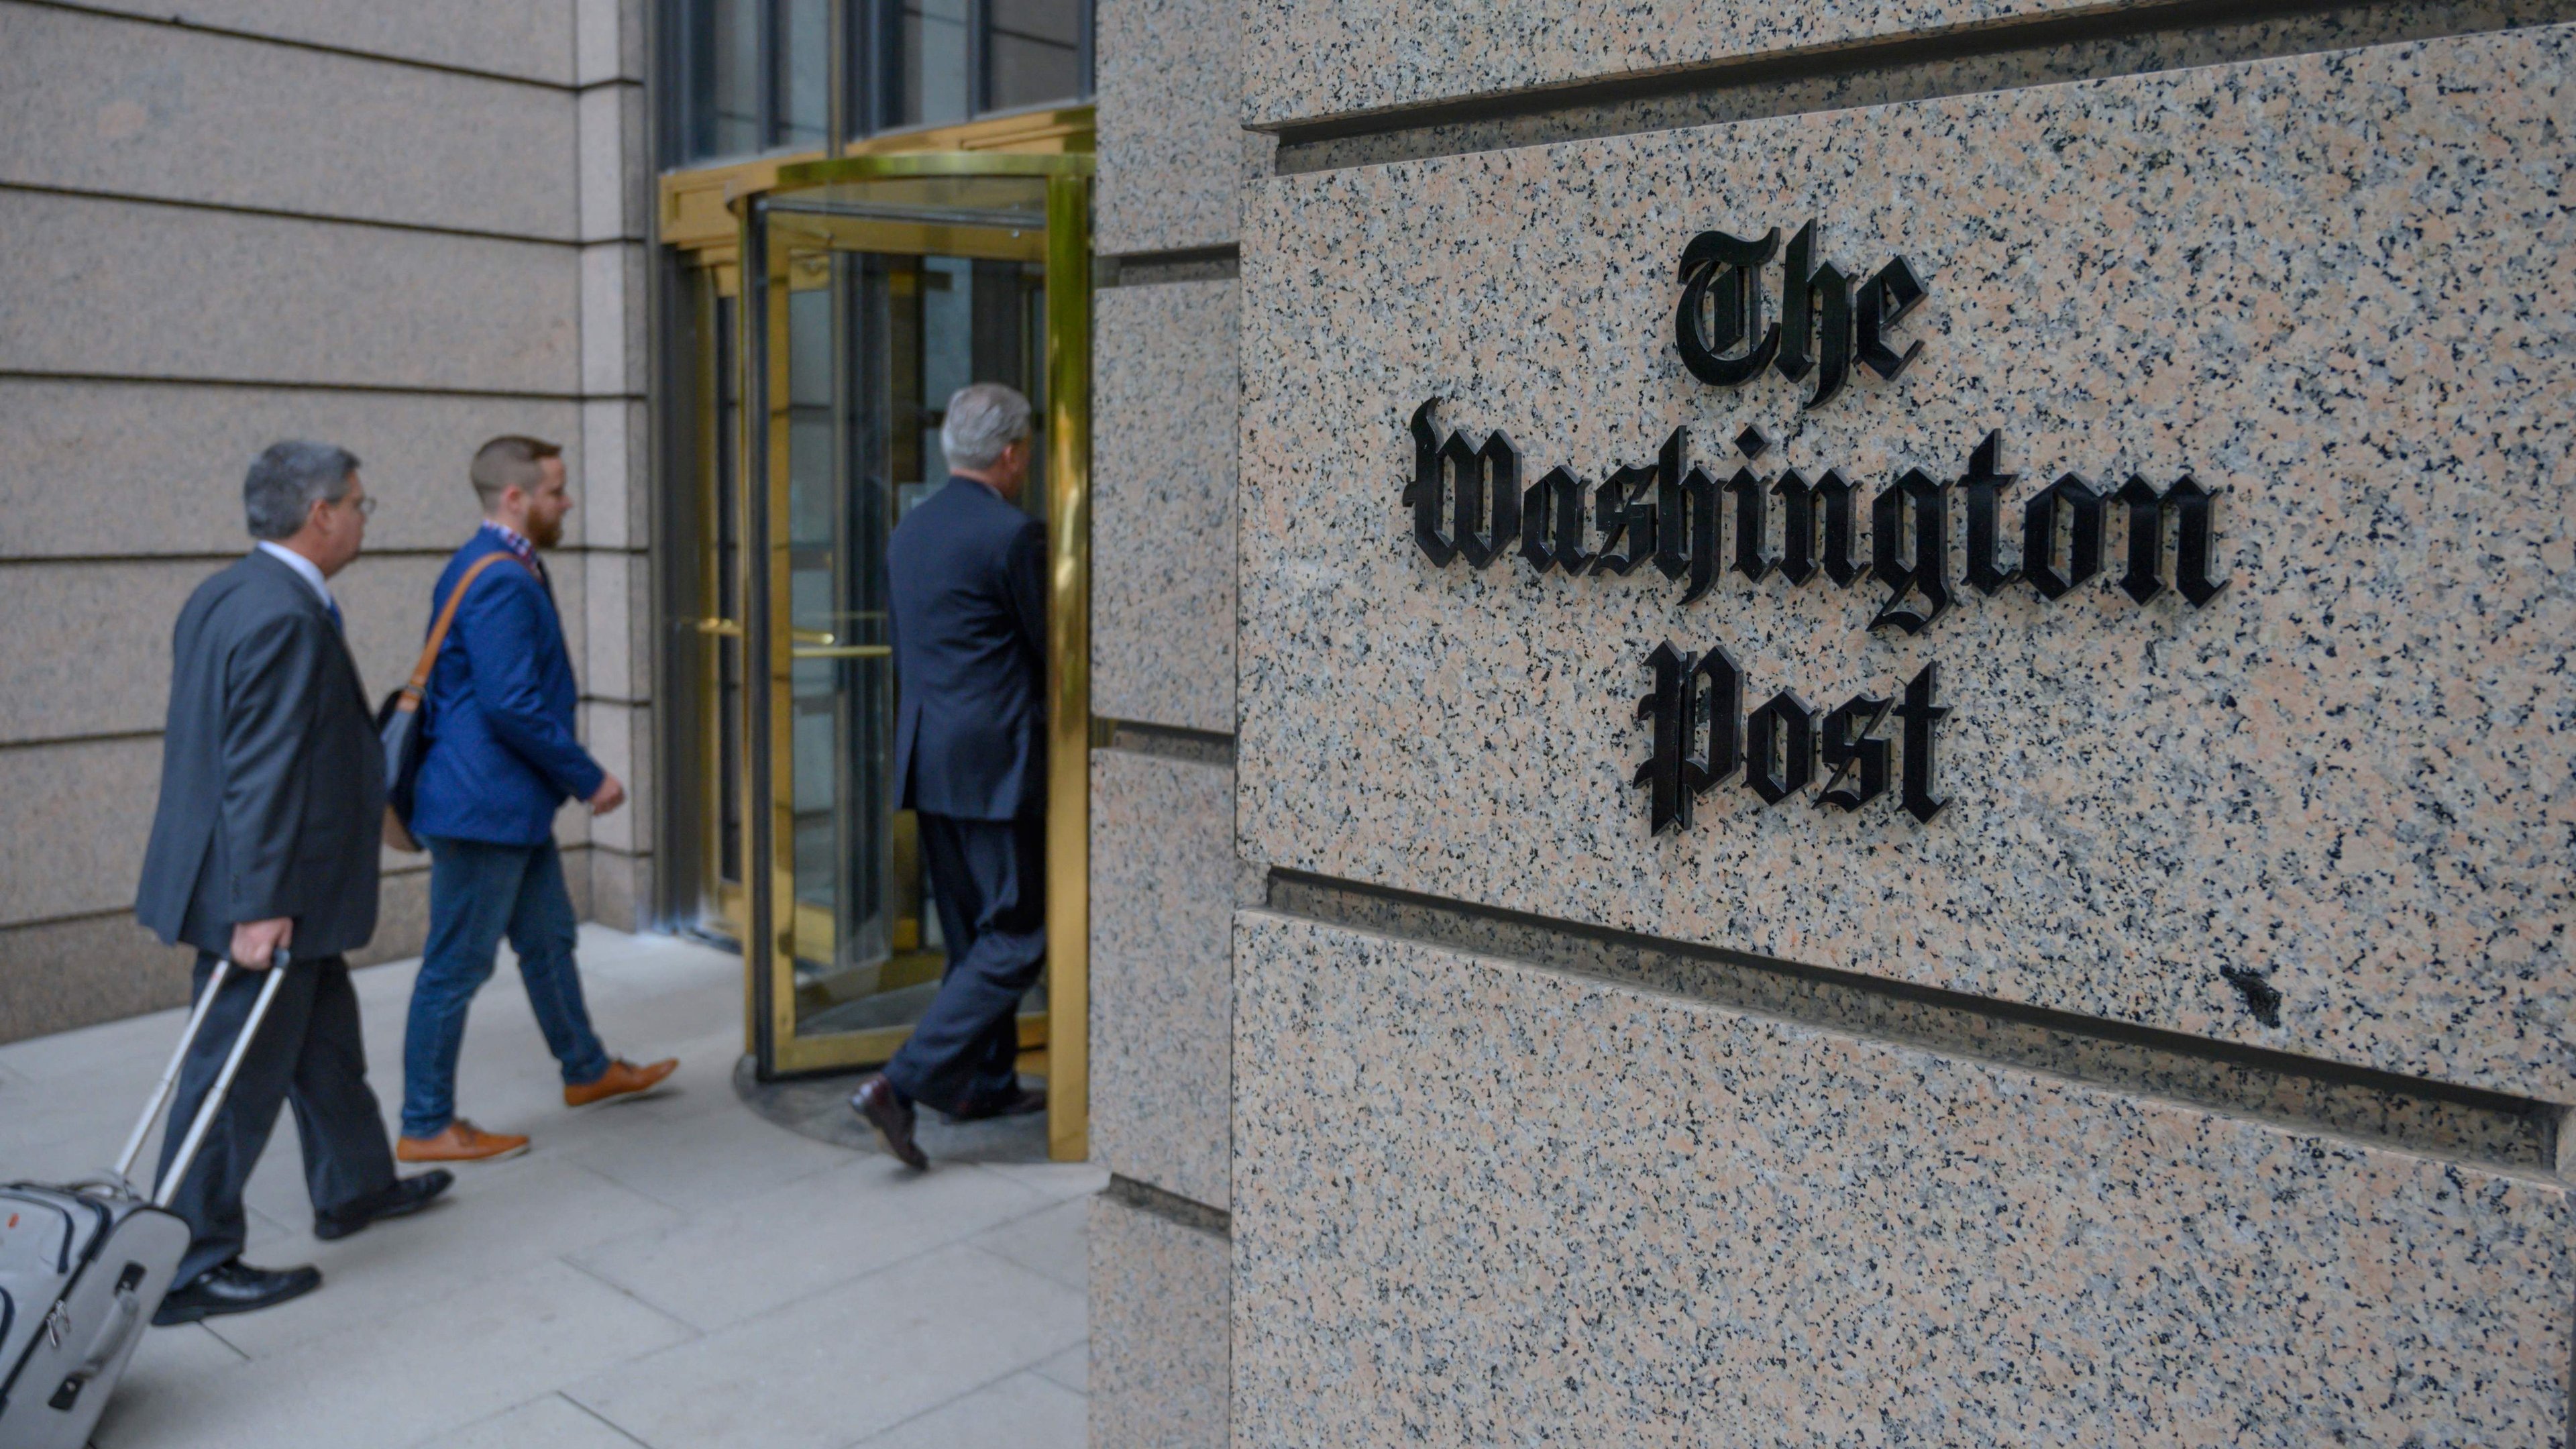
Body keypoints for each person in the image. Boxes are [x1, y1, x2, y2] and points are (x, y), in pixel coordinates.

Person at [133, 441, 455, 1324]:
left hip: (276, 882)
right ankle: (189, 1262)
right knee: (233, 1076)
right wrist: (261, 906)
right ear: (321, 514)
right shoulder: (282, 615)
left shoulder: (233, 592)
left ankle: (353, 1188)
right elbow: (262, 771)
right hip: (268, 891)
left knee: (324, 1047)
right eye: (360, 502)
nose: (362, 516)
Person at [394, 436, 676, 1164]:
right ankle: (426, 1124)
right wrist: (589, 776)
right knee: (456, 966)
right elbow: (511, 703)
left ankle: (586, 1070)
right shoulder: (499, 578)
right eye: (556, 490)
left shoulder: (499, 564)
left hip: (505, 806)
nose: (568, 501)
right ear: (514, 498)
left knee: (548, 942)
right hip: (484, 808)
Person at [849, 384, 1052, 1169]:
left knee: (972, 935)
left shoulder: (911, 530)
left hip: (929, 757)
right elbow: (1048, 650)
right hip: (998, 762)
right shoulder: (1014, 535)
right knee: (1018, 935)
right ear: (1011, 454)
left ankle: (981, 1084)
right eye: (1025, 450)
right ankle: (900, 1085)